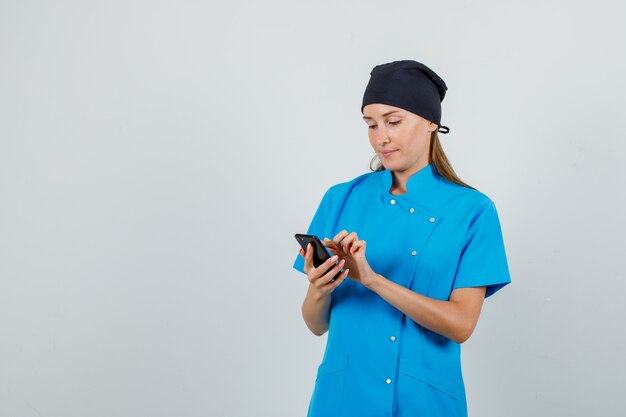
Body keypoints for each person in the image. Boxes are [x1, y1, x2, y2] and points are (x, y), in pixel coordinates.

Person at [292, 60, 511, 417]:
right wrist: (319, 288)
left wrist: (372, 280)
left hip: (424, 401)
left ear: (430, 123)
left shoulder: (472, 210)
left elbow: (461, 324)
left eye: (393, 121)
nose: (381, 137)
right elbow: (316, 324)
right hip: (344, 399)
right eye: (371, 124)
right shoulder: (341, 198)